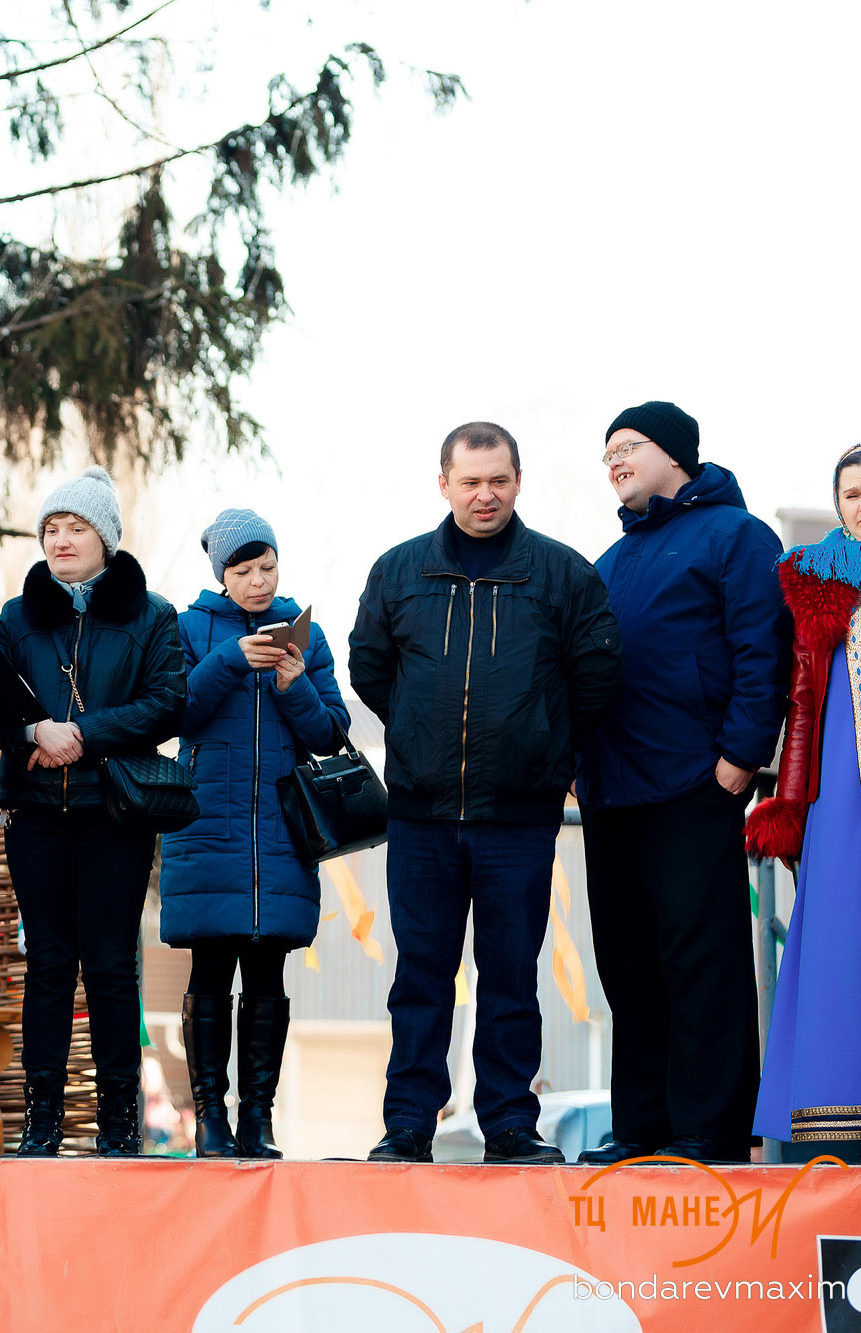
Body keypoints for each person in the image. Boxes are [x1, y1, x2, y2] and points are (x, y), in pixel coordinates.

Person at [349, 422, 621, 1165]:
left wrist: (547, 746)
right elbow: (369, 666)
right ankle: (408, 1124)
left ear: (518, 481)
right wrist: (413, 733)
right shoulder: (399, 570)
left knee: (510, 977)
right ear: (443, 484)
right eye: (470, 481)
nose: (485, 494)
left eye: (498, 479)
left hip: (520, 818)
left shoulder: (563, 575)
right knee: (421, 975)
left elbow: (597, 676)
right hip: (421, 816)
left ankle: (508, 1123)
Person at [573, 402, 789, 1166]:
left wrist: (740, 754)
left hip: (695, 782)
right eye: (608, 454)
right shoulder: (611, 559)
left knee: (702, 959)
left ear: (676, 453)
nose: (615, 461)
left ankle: (711, 1127)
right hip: (611, 789)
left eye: (628, 446)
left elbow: (764, 648)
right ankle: (642, 1126)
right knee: (628, 965)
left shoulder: (736, 535)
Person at [0, 465, 183, 1156]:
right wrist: (34, 731)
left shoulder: (153, 614)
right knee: (47, 962)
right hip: (35, 813)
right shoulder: (15, 616)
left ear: (106, 537)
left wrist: (84, 735)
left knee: (108, 964)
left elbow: (168, 700)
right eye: (51, 528)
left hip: (115, 813)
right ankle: (42, 1120)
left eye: (75, 527)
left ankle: (119, 1122)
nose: (60, 539)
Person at [158, 509, 348, 1160]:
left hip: (283, 833)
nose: (259, 581)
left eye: (268, 566)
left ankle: (257, 1120)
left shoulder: (307, 633)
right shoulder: (187, 628)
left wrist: (295, 687)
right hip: (206, 823)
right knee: (209, 970)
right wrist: (230, 661)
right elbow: (176, 709)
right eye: (243, 570)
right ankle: (209, 1118)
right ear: (221, 574)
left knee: (267, 975)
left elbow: (331, 733)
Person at [748, 446, 861, 1149]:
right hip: (841, 777)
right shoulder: (816, 582)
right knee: (838, 933)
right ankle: (835, 1115)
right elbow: (797, 696)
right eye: (852, 493)